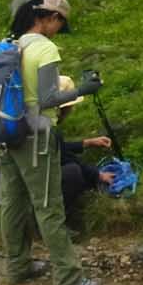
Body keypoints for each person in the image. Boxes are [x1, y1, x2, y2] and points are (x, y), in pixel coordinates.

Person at [0, 0, 103, 285]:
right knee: (49, 206)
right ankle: (69, 277)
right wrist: (84, 89)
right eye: (60, 24)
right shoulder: (44, 48)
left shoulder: (12, 44)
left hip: (7, 132)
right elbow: (48, 99)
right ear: (52, 18)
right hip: (36, 136)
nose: (59, 30)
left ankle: (18, 267)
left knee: (12, 202)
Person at [52, 75, 116, 238]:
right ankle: (54, 224)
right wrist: (98, 175)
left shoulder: (35, 118)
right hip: (32, 184)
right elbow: (64, 156)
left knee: (77, 171)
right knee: (73, 172)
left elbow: (58, 148)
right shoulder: (48, 128)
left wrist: (87, 142)